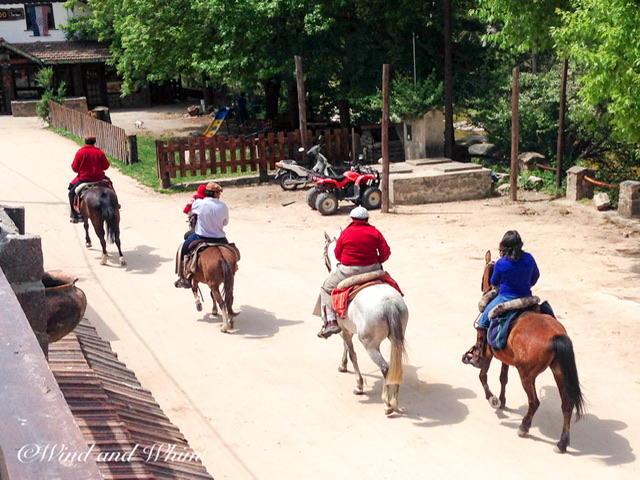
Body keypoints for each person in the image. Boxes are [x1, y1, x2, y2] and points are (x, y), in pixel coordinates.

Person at [463, 230, 540, 367]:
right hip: (527, 297)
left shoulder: (501, 263)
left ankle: (479, 355)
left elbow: (494, 281)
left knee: (482, 321)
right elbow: (535, 277)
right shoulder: (529, 258)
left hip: (505, 298)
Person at [318, 206, 391, 338]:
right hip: (373, 269)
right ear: (367, 219)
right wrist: (377, 261)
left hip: (349, 271)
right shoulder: (375, 232)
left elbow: (337, 254)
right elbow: (386, 252)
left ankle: (331, 321)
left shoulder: (346, 233)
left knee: (325, 288)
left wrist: (347, 262)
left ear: (352, 219)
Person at [175, 182, 229, 288]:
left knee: (183, 249)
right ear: (216, 193)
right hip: (220, 238)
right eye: (219, 193)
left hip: (201, 237)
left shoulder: (199, 203)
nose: (219, 195)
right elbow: (225, 223)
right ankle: (233, 269)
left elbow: (189, 213)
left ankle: (184, 277)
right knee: (232, 251)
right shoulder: (223, 206)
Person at [68, 135, 110, 223]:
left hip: (84, 179)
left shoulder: (80, 153)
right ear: (94, 142)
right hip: (99, 178)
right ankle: (115, 205)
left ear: (85, 142)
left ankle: (76, 216)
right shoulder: (100, 152)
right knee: (110, 187)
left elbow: (74, 168)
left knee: (71, 193)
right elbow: (106, 166)